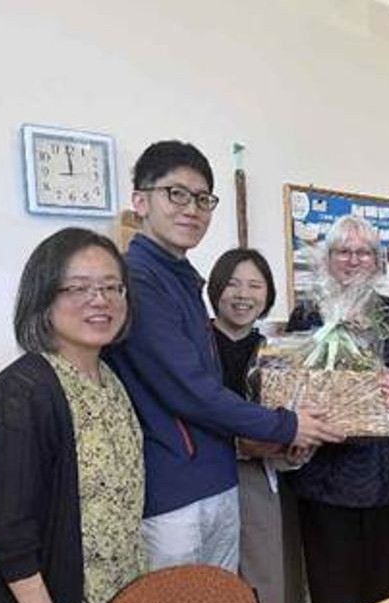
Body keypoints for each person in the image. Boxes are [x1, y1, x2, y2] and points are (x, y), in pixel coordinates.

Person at [107, 140, 343, 574]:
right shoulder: (138, 279)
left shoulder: (181, 279)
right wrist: (288, 424)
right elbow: (190, 390)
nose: (191, 209)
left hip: (216, 479)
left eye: (202, 199)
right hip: (173, 490)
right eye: (175, 194)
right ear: (141, 201)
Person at [0, 228, 145, 603]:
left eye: (111, 287)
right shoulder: (21, 391)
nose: (100, 300)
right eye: (79, 287)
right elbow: (4, 525)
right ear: (44, 298)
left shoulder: (111, 379)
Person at [286, 214, 389, 603]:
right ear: (327, 258)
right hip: (323, 474)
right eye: (343, 251)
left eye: (363, 252)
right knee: (332, 591)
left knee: (383, 590)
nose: (353, 260)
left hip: (387, 474)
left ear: (377, 262)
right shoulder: (308, 315)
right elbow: (290, 376)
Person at [207, 248, 305, 603]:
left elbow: (289, 417)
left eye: (254, 285)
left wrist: (295, 447)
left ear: (268, 295)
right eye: (233, 284)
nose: (243, 295)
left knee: (267, 576)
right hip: (205, 477)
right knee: (212, 581)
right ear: (216, 289)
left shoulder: (276, 353)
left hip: (261, 477)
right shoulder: (195, 347)